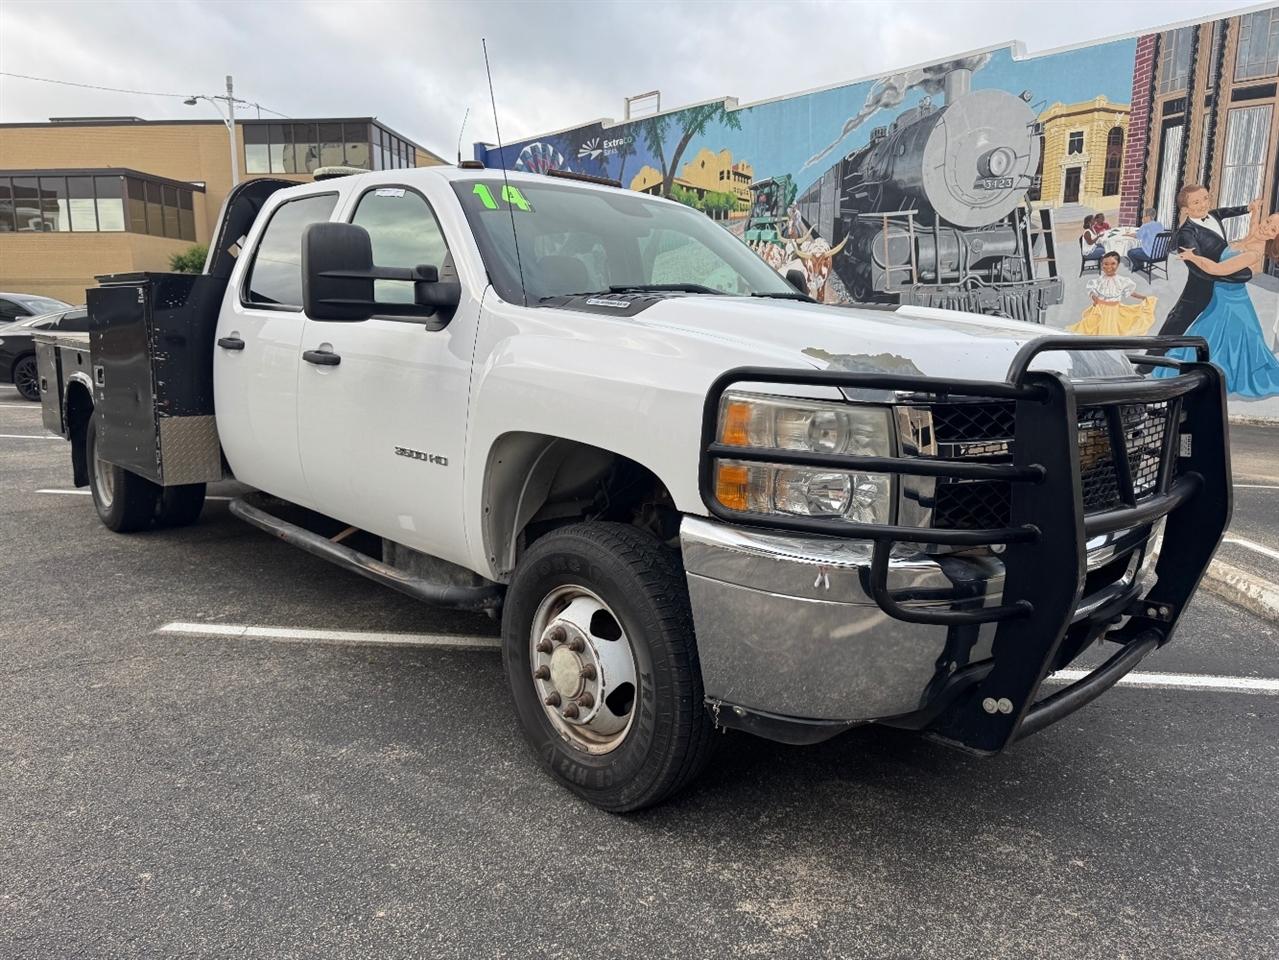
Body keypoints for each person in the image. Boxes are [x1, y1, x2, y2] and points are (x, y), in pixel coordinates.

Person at [1155, 212, 1279, 398]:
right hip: (1220, 297)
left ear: (1275, 237)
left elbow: (1216, 269)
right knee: (1207, 335)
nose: (1266, 227)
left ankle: (1220, 378)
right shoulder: (1252, 235)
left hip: (1233, 304)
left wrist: (1193, 257)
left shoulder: (1254, 252)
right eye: (1268, 221)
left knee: (1228, 341)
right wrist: (1254, 209)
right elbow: (1255, 226)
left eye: (1273, 229)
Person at [1154, 185, 1255, 339]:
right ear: (1185, 209)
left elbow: (1227, 211)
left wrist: (1248, 208)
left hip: (1222, 288)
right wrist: (1234, 275)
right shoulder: (1186, 234)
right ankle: (1149, 362)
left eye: (1205, 198)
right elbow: (1198, 269)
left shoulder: (1214, 215)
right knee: (1175, 325)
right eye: (1196, 202)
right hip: (1200, 289)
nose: (1203, 205)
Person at [1069, 251, 1157, 335]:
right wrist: (1094, 297)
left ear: (1118, 265)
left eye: (1113, 264)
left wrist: (1143, 297)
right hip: (1100, 310)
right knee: (1098, 330)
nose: (1109, 266)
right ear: (1101, 265)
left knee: (1115, 329)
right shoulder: (1098, 281)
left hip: (1115, 311)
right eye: (1105, 264)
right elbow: (1092, 290)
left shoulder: (1122, 281)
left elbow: (1130, 292)